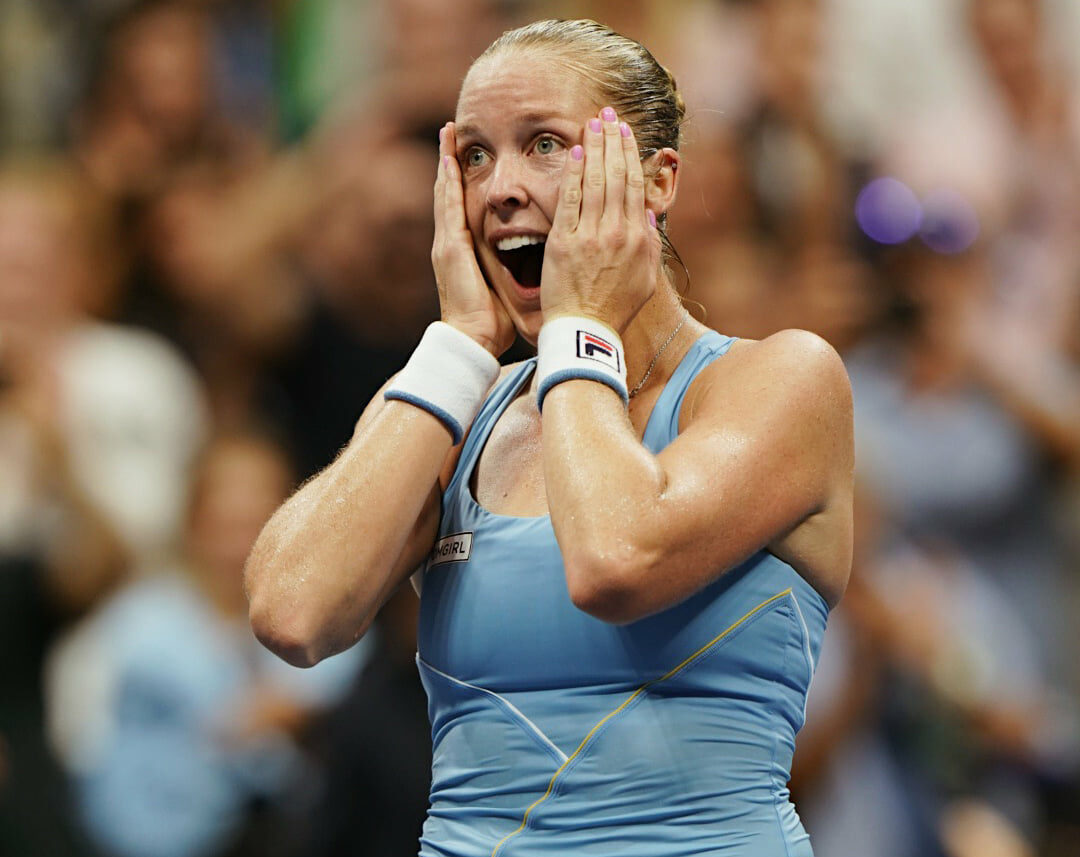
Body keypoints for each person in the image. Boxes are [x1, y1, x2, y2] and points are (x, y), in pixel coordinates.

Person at [245, 18, 853, 857]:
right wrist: (460, 340)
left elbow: (615, 558)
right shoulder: (459, 407)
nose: (500, 188)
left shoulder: (782, 381)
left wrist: (577, 329)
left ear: (658, 181)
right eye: (475, 157)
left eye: (545, 144)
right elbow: (292, 610)